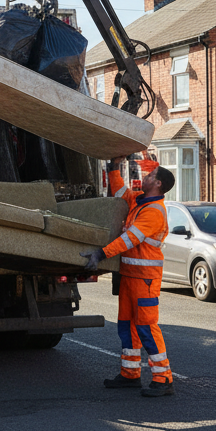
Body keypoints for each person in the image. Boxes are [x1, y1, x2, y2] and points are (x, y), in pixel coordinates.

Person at [80, 157, 175, 397]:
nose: (145, 178)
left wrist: (101, 254)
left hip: (145, 280)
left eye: (150, 176)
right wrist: (113, 167)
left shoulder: (154, 212)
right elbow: (121, 191)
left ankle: (163, 379)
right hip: (130, 277)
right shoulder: (139, 201)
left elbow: (130, 239)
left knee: (146, 328)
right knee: (127, 326)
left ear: (159, 184)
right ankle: (130, 375)